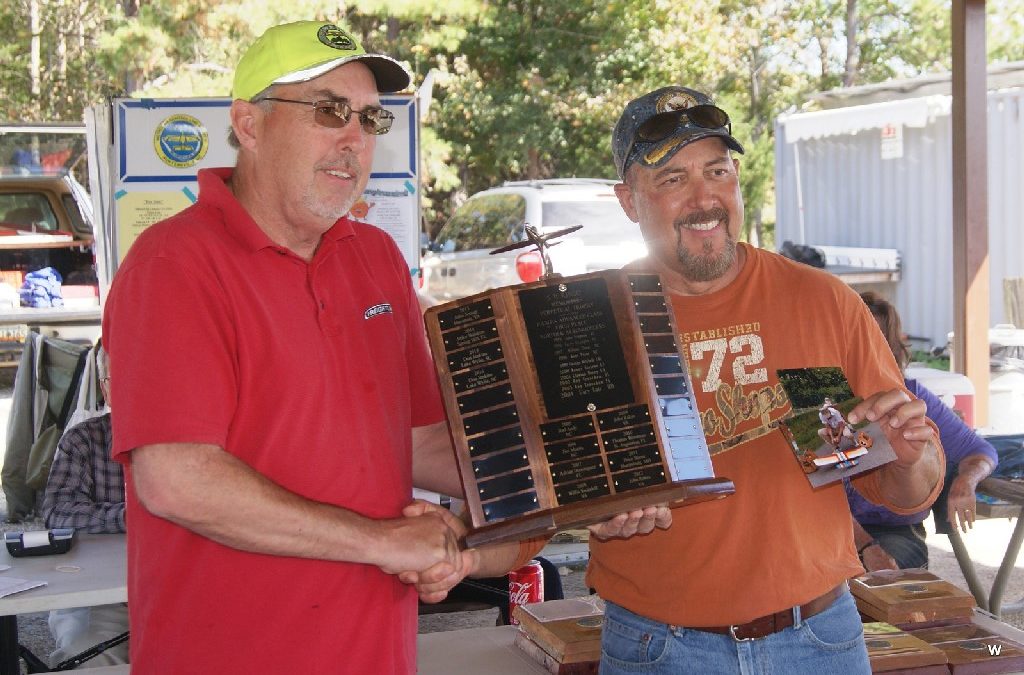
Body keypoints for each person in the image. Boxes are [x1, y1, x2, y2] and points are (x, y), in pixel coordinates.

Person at [102, 21, 665, 673]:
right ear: (248, 124)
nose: (353, 140)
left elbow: (417, 441)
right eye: (329, 111)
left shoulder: (373, 258)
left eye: (369, 119)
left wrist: (592, 478)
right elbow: (177, 479)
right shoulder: (172, 263)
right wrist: (383, 542)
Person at [588, 85, 945, 674]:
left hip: (819, 641)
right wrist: (595, 508)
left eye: (718, 171)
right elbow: (549, 496)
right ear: (628, 200)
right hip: (657, 649)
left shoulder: (821, 301)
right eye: (673, 179)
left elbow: (903, 488)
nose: (705, 198)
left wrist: (910, 458)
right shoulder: (594, 320)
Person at [849, 292, 997, 571]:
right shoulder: (822, 398)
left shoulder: (911, 395)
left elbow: (980, 451)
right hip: (829, 532)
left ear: (891, 348)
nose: (865, 349)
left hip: (894, 533)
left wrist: (967, 479)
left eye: (875, 339)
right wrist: (864, 545)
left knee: (887, 572)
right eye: (855, 337)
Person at [41, 344, 129, 669]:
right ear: (106, 388)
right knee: (89, 657)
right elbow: (57, 513)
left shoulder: (198, 443)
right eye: (126, 378)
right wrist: (130, 516)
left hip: (180, 588)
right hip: (98, 591)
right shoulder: (84, 440)